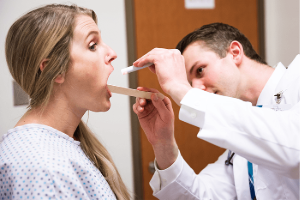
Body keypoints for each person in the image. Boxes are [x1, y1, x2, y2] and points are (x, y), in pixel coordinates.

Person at [133, 23, 299, 199]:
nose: (196, 88)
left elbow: (294, 151)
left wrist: (180, 88)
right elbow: (202, 195)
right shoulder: (239, 139)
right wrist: (163, 143)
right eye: (190, 83)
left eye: (200, 70)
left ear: (235, 52)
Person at [0, 4, 131, 200]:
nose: (112, 53)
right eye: (93, 45)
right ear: (54, 69)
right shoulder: (40, 167)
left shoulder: (63, 145)